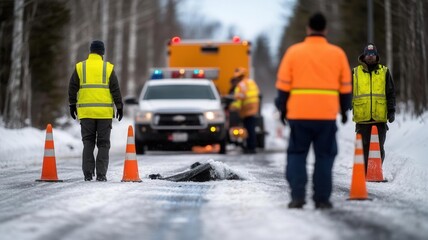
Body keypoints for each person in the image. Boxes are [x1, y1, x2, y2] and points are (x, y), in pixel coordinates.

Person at [275, 12, 352, 209]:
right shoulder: (337, 54)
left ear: (308, 29)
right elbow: (345, 87)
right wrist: (344, 110)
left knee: (297, 155)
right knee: (325, 157)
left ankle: (297, 196)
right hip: (326, 115)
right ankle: (322, 199)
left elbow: (283, 86)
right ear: (325, 29)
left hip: (299, 115)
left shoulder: (293, 52)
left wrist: (282, 109)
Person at [68, 40, 123, 182]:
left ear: (90, 51)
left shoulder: (81, 67)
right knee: (103, 144)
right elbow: (115, 89)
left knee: (88, 142)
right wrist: (120, 106)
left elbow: (72, 87)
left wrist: (72, 105)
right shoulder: (108, 68)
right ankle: (101, 175)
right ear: (102, 52)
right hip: (104, 114)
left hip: (86, 114)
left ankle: (87, 174)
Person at [352, 43, 396, 173]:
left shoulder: (384, 71)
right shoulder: (355, 72)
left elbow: (391, 93)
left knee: (378, 146)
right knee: (363, 146)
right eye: (368, 54)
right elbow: (348, 90)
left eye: (373, 54)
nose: (370, 57)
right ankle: (365, 172)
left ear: (376, 56)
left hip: (379, 118)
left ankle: (375, 171)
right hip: (362, 117)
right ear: (364, 56)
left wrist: (392, 110)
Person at [229, 67, 260, 154]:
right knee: (251, 129)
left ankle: (251, 147)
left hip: (246, 109)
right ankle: (251, 146)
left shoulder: (241, 85)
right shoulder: (251, 82)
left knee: (249, 129)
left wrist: (233, 107)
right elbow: (257, 93)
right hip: (254, 108)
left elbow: (239, 99)